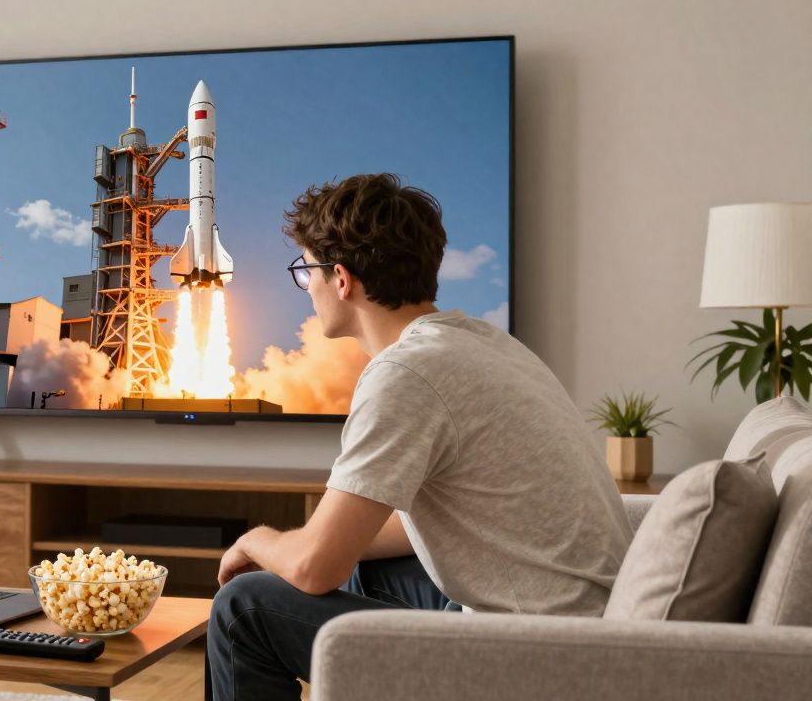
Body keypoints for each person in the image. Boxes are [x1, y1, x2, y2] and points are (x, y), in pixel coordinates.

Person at [207, 174, 632, 701]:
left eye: (306, 271)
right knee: (364, 570)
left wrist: (256, 540)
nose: (307, 288)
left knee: (244, 608)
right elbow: (433, 524)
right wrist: (315, 545)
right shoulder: (486, 345)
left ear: (341, 279)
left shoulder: (407, 374)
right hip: (587, 625)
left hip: (538, 654)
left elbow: (315, 570)